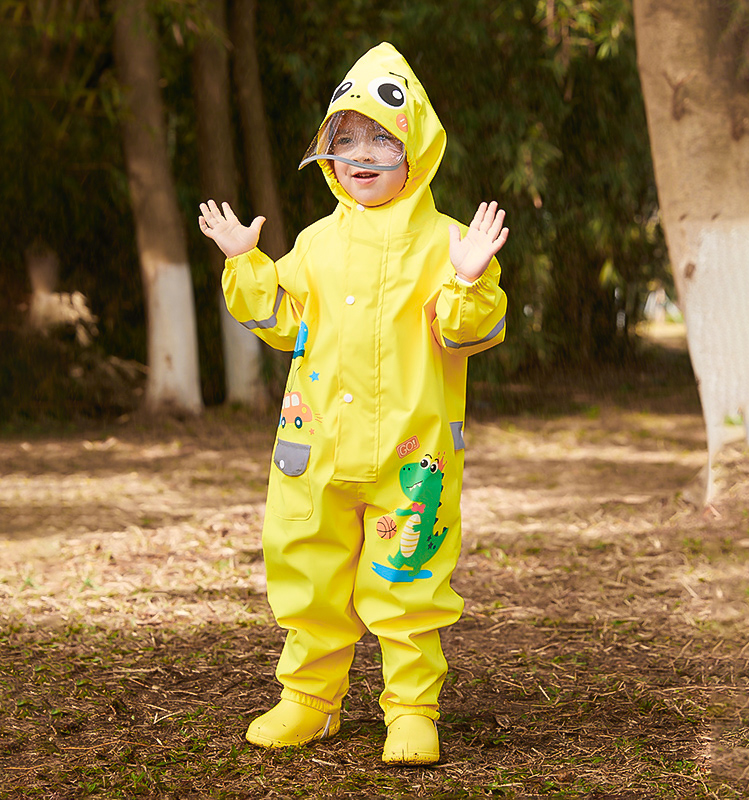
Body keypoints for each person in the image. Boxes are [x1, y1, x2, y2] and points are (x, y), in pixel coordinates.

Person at [199, 41, 508, 765]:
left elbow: (474, 331)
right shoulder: (312, 243)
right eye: (346, 141)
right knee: (309, 573)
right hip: (317, 452)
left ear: (417, 151)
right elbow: (281, 323)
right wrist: (245, 261)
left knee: (410, 581)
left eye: (381, 140)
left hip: (412, 455)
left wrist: (468, 279)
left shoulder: (449, 242)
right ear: (328, 157)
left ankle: (410, 710)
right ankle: (309, 701)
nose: (362, 155)